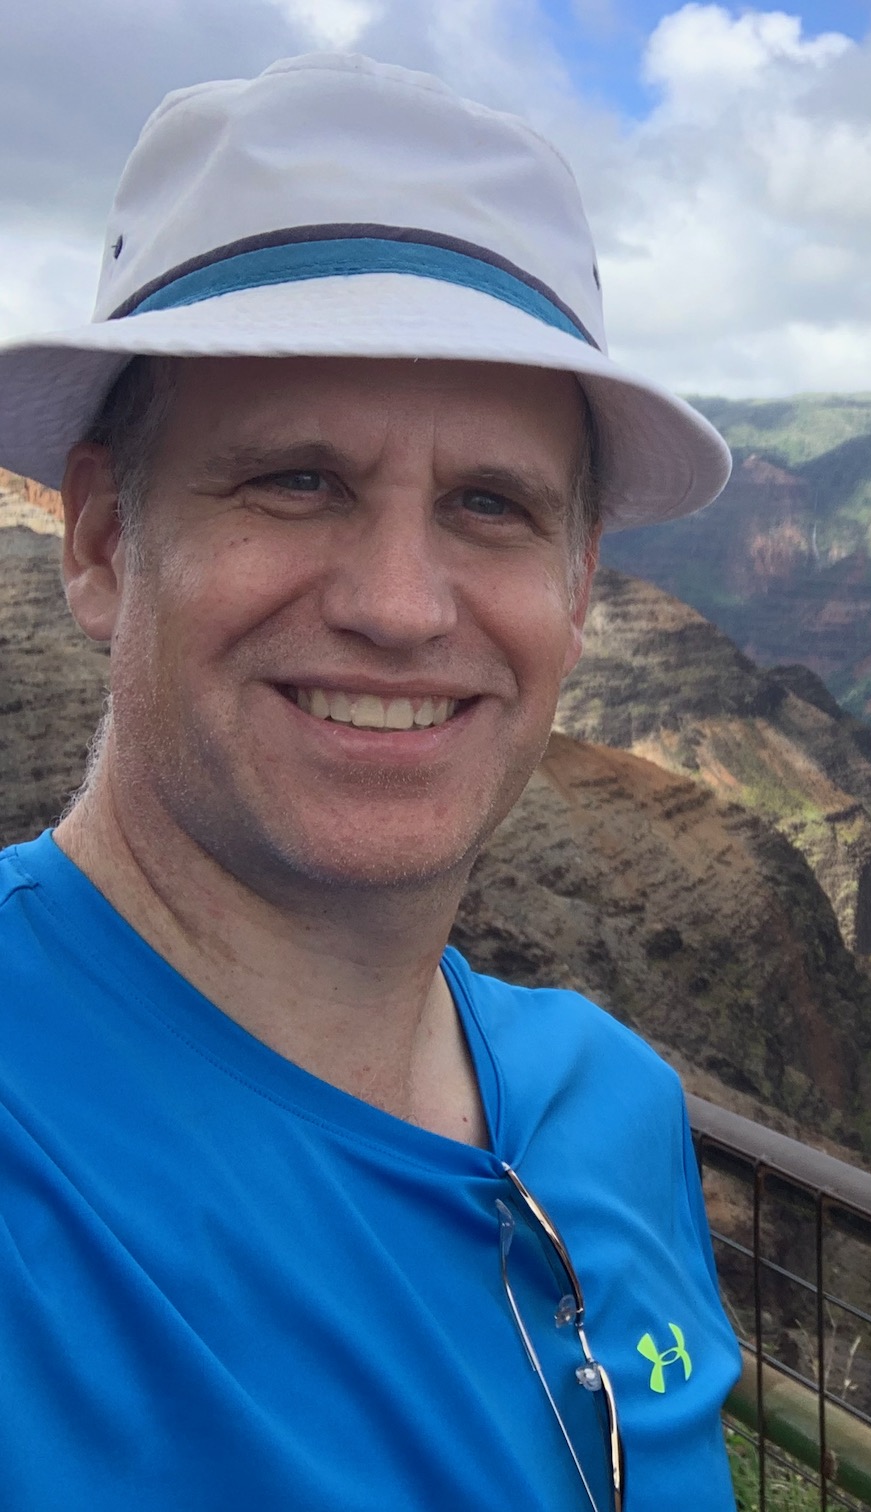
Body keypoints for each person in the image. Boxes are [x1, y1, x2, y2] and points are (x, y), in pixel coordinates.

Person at [0, 54, 741, 1510]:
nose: (402, 607)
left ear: (578, 584)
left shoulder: (609, 1105)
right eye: (296, 481)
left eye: (490, 505)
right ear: (98, 541)